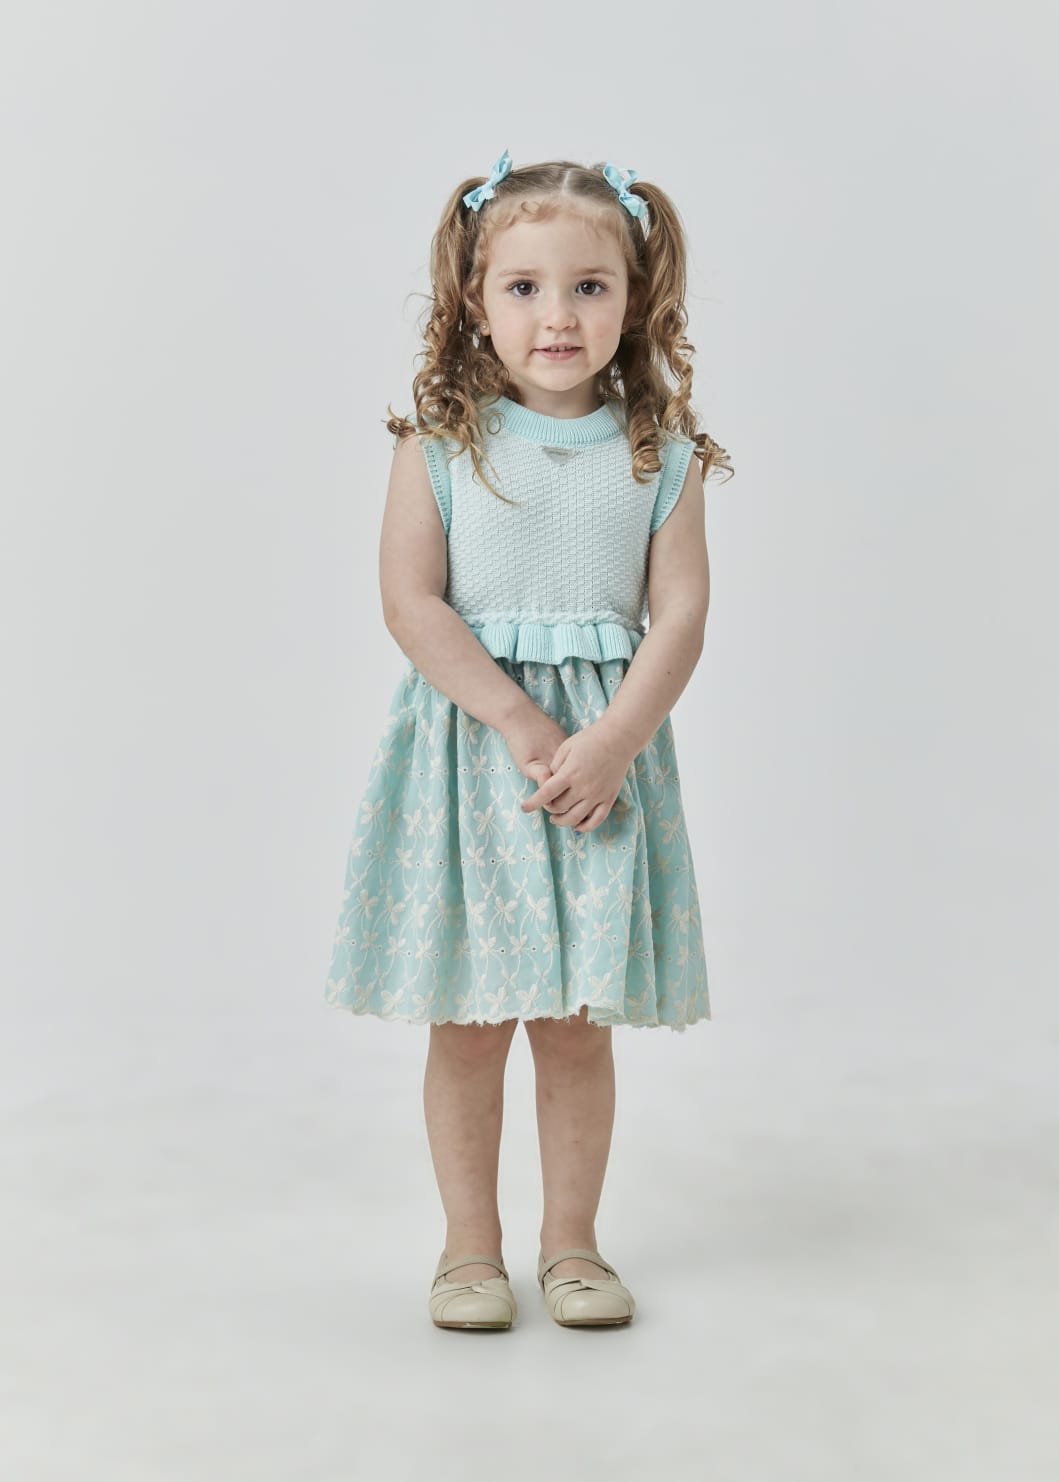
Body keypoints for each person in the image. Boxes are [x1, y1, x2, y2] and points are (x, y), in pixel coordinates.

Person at [323, 148, 734, 1331]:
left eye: (589, 286)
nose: (558, 316)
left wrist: (613, 741)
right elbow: (412, 603)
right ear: (475, 299)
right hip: (475, 768)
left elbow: (682, 614)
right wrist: (516, 717)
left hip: (599, 770)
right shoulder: (439, 446)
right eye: (525, 287)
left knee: (572, 1027)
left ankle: (573, 1247)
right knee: (468, 1026)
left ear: (635, 300)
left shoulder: (660, 456)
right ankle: (468, 1250)